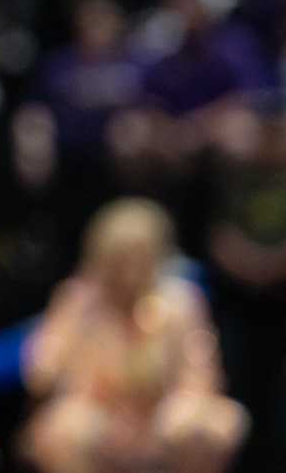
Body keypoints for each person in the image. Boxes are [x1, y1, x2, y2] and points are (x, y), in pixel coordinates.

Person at [23, 197, 248, 473]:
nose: (130, 268)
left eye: (139, 255)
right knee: (67, 428)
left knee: (207, 423)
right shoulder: (78, 299)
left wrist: (175, 407)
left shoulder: (181, 300)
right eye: (120, 257)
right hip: (96, 413)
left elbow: (201, 374)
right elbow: (41, 370)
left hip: (163, 414)